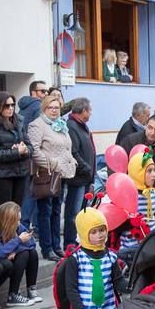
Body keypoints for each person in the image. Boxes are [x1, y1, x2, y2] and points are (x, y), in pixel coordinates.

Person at [27, 94, 77, 261]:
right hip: (46, 175)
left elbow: (65, 147)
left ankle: (57, 246)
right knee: (45, 211)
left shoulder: (60, 124)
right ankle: (47, 248)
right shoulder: (37, 125)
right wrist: (52, 164)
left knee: (56, 211)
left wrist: (71, 159)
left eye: (57, 107)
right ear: (44, 108)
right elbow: (34, 151)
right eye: (51, 108)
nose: (55, 110)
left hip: (61, 174)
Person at [0, 92, 32, 207]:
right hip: (2, 174)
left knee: (17, 210)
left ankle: (16, 226)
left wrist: (24, 150)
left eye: (12, 105)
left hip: (20, 172)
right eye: (6, 106)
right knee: (6, 211)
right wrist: (16, 152)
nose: (10, 108)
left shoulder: (19, 121)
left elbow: (30, 146)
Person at [0, 202, 39, 307]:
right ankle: (13, 295)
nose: (19, 223)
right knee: (24, 253)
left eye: (19, 219)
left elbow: (31, 243)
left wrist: (15, 250)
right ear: (8, 220)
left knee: (32, 252)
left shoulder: (17, 227)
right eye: (17, 220)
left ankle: (31, 289)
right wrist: (18, 240)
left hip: (11, 256)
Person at [65, 97, 96, 249]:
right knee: (73, 214)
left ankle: (78, 241)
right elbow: (73, 152)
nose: (90, 114)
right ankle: (70, 244)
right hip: (77, 179)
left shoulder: (82, 126)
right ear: (83, 111)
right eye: (90, 110)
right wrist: (86, 168)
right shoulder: (71, 126)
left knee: (82, 213)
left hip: (85, 178)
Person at [116, 150, 155, 258]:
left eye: (154, 170)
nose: (154, 174)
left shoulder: (153, 193)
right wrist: (132, 223)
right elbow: (117, 225)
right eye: (149, 171)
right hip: (131, 248)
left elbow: (153, 217)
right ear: (138, 173)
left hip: (150, 244)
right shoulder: (127, 196)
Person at [18, 80, 48, 228]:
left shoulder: (22, 108)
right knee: (33, 195)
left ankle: (23, 225)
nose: (45, 94)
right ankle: (27, 227)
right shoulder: (38, 107)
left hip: (24, 157)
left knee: (28, 194)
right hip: (35, 157)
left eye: (46, 91)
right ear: (33, 93)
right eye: (42, 91)